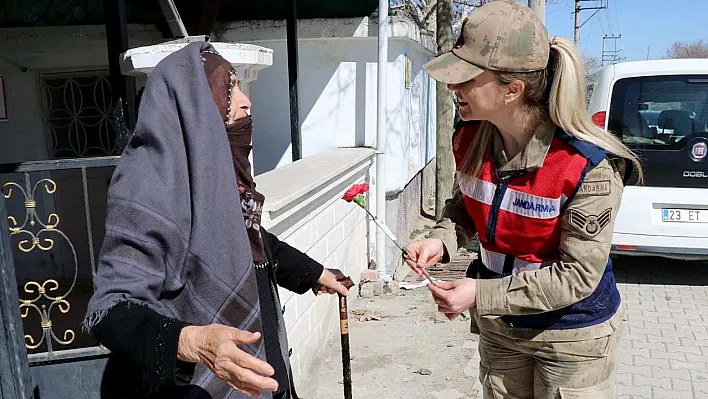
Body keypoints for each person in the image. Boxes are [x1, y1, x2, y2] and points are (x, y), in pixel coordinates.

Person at [82, 42, 349, 399]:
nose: (245, 101)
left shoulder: (216, 179)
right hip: (195, 385)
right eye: (230, 89)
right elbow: (111, 309)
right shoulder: (146, 187)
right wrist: (192, 341)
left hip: (259, 370)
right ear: (194, 107)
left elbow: (251, 240)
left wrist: (312, 273)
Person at [404, 1, 642, 398]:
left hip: (570, 338)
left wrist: (478, 293)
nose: (452, 87)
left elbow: (578, 276)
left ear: (512, 89)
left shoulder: (586, 166)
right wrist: (441, 239)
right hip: (502, 328)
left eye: (467, 78)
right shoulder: (471, 136)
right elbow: (467, 204)